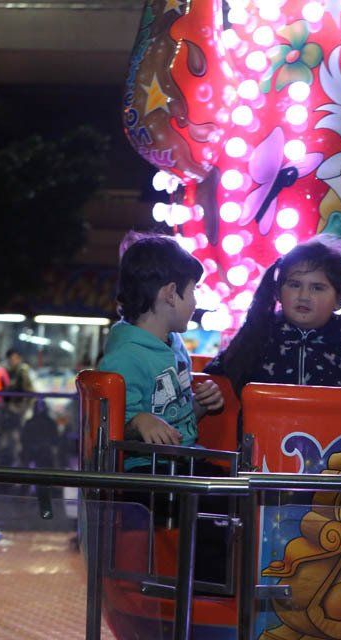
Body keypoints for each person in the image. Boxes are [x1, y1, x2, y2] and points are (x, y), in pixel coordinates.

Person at [98, 233, 226, 583]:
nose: (196, 302)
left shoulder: (172, 344)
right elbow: (109, 426)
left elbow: (171, 418)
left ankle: (206, 590)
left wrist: (199, 406)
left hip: (177, 465)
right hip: (148, 478)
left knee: (233, 487)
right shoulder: (125, 356)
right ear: (171, 293)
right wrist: (138, 419)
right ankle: (203, 592)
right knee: (222, 499)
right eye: (193, 291)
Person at [206, 237, 341, 393]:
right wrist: (211, 390)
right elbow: (212, 379)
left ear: (338, 299)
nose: (304, 296)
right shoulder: (258, 335)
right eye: (295, 285)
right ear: (278, 291)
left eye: (317, 288)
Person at [4, 347, 35, 415]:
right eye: (11, 359)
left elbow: (29, 390)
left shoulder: (23, 371)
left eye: (16, 358)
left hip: (20, 406)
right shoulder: (7, 371)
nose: (13, 361)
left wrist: (27, 407)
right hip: (9, 406)